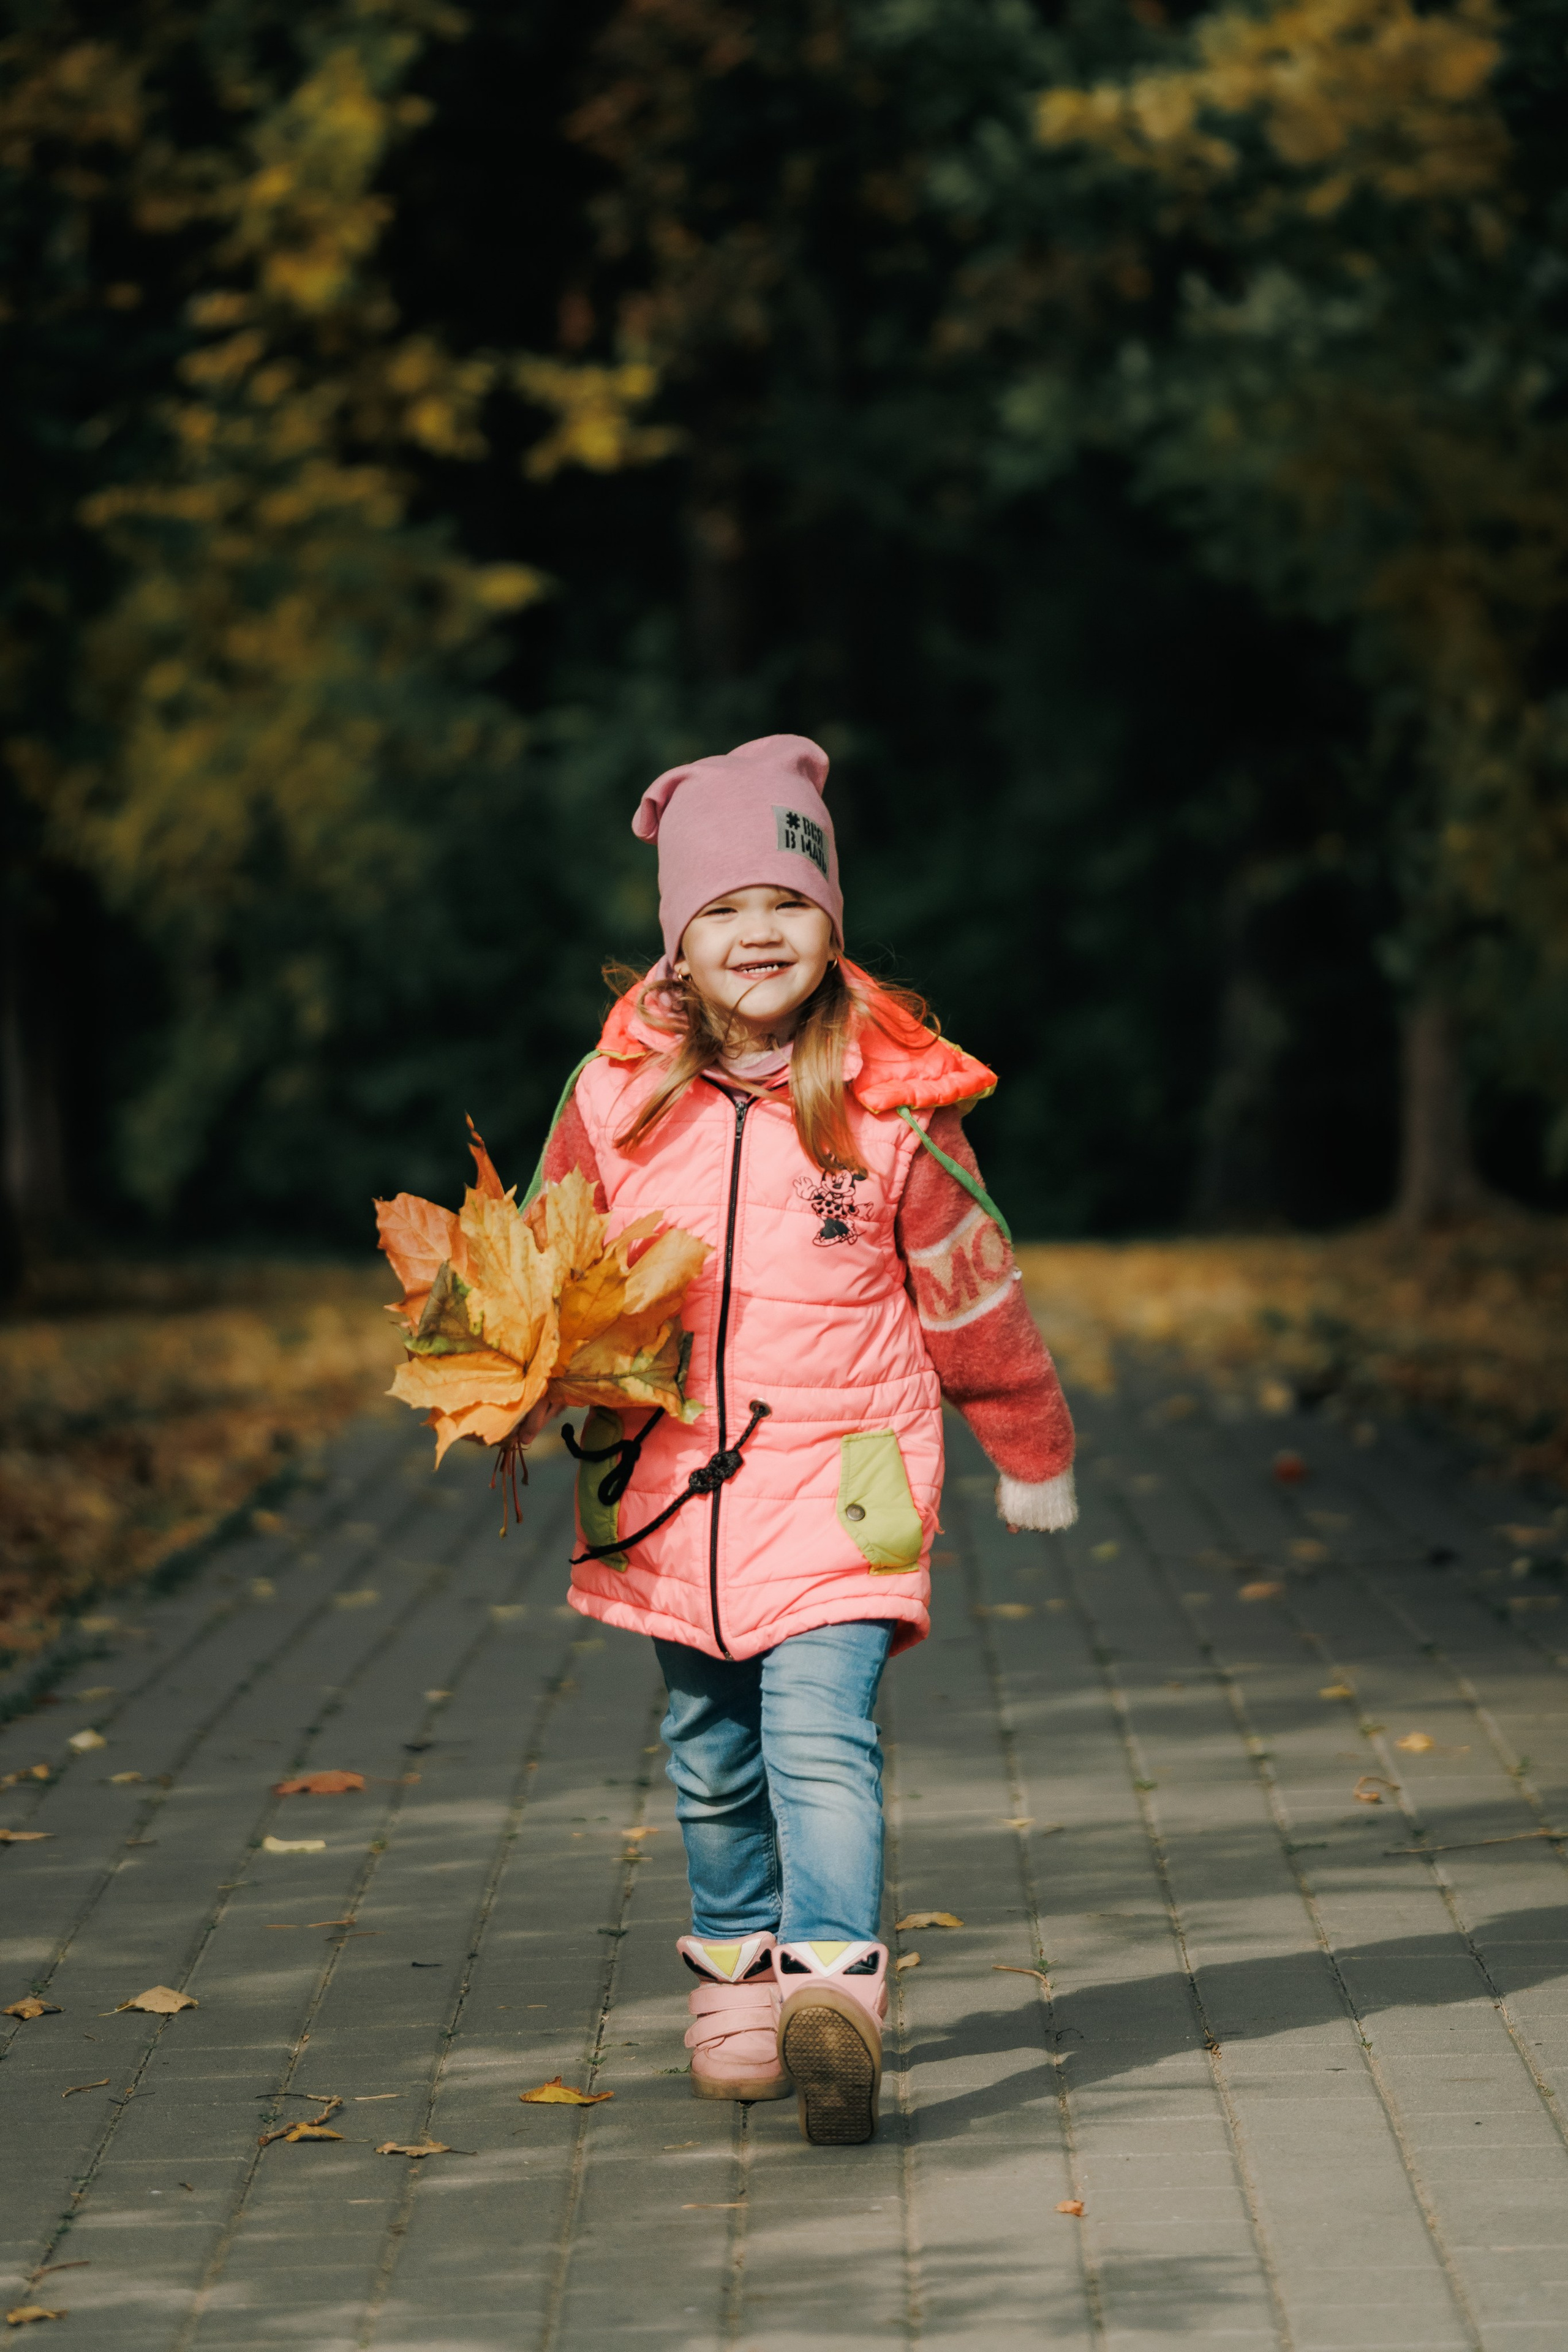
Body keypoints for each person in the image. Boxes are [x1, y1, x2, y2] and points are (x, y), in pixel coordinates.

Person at [522, 733, 1076, 2146]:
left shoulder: (888, 1105)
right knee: (708, 1753)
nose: (755, 931)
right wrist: (519, 1378)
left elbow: (970, 1285)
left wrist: (1025, 1437)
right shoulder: (611, 1101)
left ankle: (831, 1991)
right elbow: (543, 1268)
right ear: (674, 945)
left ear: (828, 924)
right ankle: (734, 1980)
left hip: (841, 1484)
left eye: (785, 902)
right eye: (720, 909)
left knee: (817, 1741)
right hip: (663, 1491)